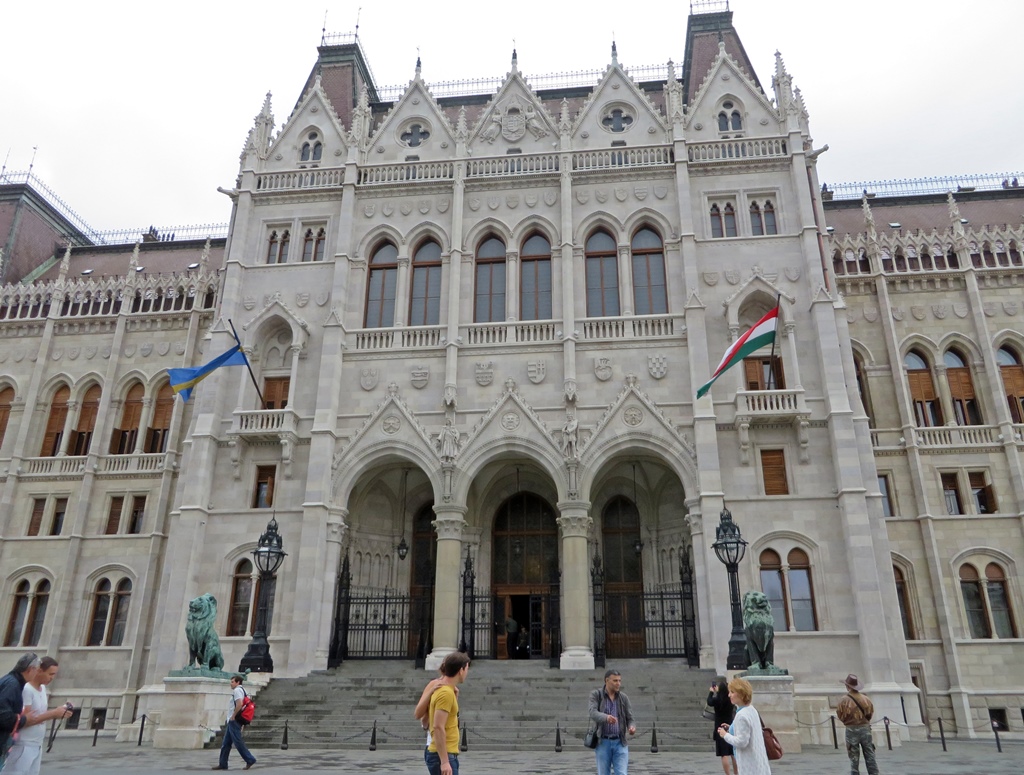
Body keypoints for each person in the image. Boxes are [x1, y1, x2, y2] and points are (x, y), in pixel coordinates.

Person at [4, 657, 72, 775]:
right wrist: (53, 714)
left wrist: (59, 712)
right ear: (39, 671)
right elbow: (25, 719)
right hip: (23, 744)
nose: (52, 678)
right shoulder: (27, 689)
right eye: (50, 674)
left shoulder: (42, 689)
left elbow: (39, 713)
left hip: (37, 744)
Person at [426, 652, 470, 775]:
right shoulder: (446, 693)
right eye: (467, 668)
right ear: (461, 670)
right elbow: (438, 726)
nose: (467, 673)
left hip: (446, 754)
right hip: (443, 755)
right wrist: (445, 762)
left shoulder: (448, 691)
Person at [717, 677, 771, 775]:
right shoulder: (751, 709)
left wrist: (725, 735)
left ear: (741, 694)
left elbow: (742, 742)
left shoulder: (742, 715)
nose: (729, 695)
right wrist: (731, 728)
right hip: (758, 762)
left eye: (732, 692)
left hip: (750, 766)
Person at [587, 669, 636, 775]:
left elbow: (630, 718)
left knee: (622, 773)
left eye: (619, 681)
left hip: (620, 742)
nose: (618, 683)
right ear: (607, 680)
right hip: (603, 742)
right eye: (615, 681)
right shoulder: (596, 695)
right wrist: (606, 717)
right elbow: (592, 712)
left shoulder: (623, 698)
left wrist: (632, 727)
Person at [0, 653, 39, 766]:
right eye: (36, 670)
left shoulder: (12, 681)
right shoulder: (12, 684)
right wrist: (24, 719)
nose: (37, 673)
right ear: (30, 669)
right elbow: (3, 716)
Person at [836, 674, 879, 775]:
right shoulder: (866, 699)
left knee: (853, 755)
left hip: (851, 729)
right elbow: (871, 713)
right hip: (865, 729)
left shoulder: (843, 700)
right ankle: (874, 773)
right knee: (870, 753)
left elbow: (840, 714)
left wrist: (848, 722)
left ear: (848, 686)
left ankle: (855, 773)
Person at [213, 675, 256, 771]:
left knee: (237, 741)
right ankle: (223, 763)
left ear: (238, 682)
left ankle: (250, 759)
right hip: (233, 720)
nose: (231, 683)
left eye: (232, 681)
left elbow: (240, 704)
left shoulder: (237, 691)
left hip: (234, 720)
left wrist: (233, 715)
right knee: (226, 743)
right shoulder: (242, 690)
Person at [707, 675, 737, 775]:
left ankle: (728, 774)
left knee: (724, 754)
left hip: (719, 727)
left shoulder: (717, 700)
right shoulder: (730, 701)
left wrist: (712, 692)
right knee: (733, 753)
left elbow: (709, 702)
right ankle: (737, 773)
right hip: (730, 725)